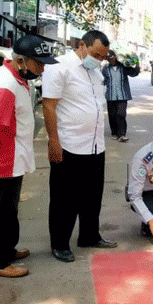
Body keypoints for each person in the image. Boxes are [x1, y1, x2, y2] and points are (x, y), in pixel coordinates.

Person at [0, 36, 58, 277]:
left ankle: (7, 249)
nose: (43, 68)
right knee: (1, 210)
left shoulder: (17, 78)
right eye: (39, 63)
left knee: (10, 209)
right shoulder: (7, 86)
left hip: (14, 156)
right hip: (4, 157)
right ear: (22, 61)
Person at [42, 30, 117, 263]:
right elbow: (49, 106)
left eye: (103, 57)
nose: (99, 60)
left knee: (92, 197)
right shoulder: (60, 66)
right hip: (69, 146)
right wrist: (53, 141)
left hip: (95, 146)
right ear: (82, 45)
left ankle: (89, 236)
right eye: (96, 54)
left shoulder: (95, 72)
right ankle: (60, 244)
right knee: (65, 200)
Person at [102, 50, 140, 143]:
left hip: (122, 95)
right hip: (111, 96)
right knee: (112, 115)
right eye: (108, 59)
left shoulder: (123, 67)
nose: (110, 60)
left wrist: (137, 65)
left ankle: (122, 134)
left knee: (121, 114)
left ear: (115, 56)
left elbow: (133, 73)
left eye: (111, 58)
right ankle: (114, 133)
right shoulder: (105, 69)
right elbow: (102, 80)